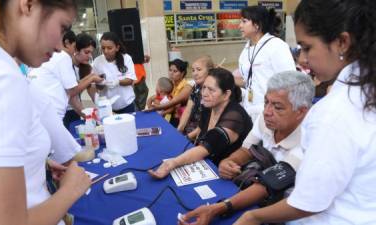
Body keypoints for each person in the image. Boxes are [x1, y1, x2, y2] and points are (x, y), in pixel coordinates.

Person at [234, 0, 376, 224]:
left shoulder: (333, 113)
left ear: (342, 42)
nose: (302, 59)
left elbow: (309, 201)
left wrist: (252, 216)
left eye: (307, 48)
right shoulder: (360, 95)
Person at [0, 1, 91, 225]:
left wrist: (40, 162)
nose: (60, 46)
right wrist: (70, 191)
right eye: (62, 28)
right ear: (28, 5)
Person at [178, 71, 314, 225]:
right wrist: (229, 161)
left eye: (277, 107)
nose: (267, 112)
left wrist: (218, 208)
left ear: (301, 111)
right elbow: (246, 149)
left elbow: (267, 185)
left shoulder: (312, 139)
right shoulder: (266, 119)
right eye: (266, 102)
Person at [149, 68, 253, 179]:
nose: (204, 94)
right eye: (204, 88)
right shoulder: (209, 106)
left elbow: (206, 147)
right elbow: (201, 130)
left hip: (228, 173)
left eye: (211, 90)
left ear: (226, 94)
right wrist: (185, 138)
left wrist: (172, 163)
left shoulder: (234, 117)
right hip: (207, 164)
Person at [29, 30, 103, 128]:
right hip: (53, 112)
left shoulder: (53, 56)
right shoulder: (63, 57)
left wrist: (91, 77)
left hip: (41, 111)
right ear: (67, 43)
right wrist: (89, 117)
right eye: (74, 47)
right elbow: (72, 91)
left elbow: (74, 86)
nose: (74, 51)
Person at [236, 6, 296, 122]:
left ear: (257, 25)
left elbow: (291, 81)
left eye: (244, 21)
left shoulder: (276, 46)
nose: (240, 26)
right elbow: (248, 80)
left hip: (271, 111)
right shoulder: (247, 49)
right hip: (250, 109)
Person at [92, 31, 137, 114]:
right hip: (108, 107)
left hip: (126, 104)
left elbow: (130, 80)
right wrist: (101, 83)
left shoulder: (126, 58)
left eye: (109, 48)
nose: (106, 51)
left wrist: (117, 82)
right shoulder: (97, 62)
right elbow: (98, 87)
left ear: (117, 47)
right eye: (103, 48)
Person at [177, 55, 214, 140]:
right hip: (189, 131)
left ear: (210, 71)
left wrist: (186, 138)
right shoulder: (195, 87)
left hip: (203, 135)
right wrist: (179, 130)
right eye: (193, 70)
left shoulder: (213, 92)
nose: (195, 73)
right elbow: (188, 110)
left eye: (199, 69)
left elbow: (207, 122)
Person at [147, 59, 193, 127]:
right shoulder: (170, 83)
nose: (171, 73)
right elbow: (160, 96)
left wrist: (159, 109)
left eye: (175, 71)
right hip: (168, 115)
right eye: (170, 70)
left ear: (182, 73)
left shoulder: (185, 87)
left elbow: (175, 105)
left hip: (179, 117)